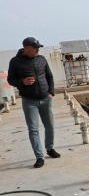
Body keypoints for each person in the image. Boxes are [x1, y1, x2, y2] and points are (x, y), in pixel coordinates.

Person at [8, 37, 60, 168]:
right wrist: (22, 82)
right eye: (34, 49)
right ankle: (39, 156)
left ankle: (50, 148)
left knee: (50, 126)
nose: (37, 50)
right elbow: (10, 80)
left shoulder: (41, 59)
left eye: (38, 48)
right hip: (29, 101)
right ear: (26, 48)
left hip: (45, 98)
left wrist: (51, 92)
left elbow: (49, 76)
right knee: (33, 129)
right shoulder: (15, 62)